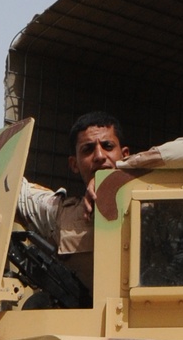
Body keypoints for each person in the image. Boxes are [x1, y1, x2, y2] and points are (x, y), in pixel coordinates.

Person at [17, 111, 131, 290]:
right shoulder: (60, 215)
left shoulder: (149, 201)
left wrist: (118, 177)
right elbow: (9, 187)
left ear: (125, 154)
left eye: (108, 146)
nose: (100, 156)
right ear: (74, 164)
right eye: (88, 149)